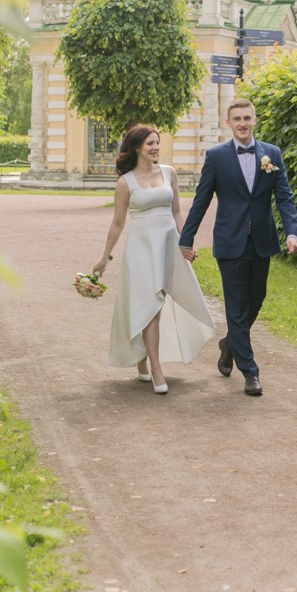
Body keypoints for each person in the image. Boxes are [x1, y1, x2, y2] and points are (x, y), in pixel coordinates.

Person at [179, 99, 297, 397]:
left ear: (255, 120)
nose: (243, 123)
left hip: (262, 240)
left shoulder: (272, 154)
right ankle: (251, 372)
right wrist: (186, 239)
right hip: (230, 241)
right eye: (237, 119)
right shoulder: (216, 156)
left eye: (247, 118)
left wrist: (292, 232)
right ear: (228, 122)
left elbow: (284, 197)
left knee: (256, 298)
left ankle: (230, 344)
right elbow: (202, 200)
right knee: (235, 304)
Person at [93, 124, 214, 394]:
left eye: (157, 142)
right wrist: (104, 259)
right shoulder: (126, 183)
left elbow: (177, 212)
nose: (156, 147)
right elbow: (117, 223)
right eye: (150, 143)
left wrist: (186, 242)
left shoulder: (169, 173)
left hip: (168, 244)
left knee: (161, 300)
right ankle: (156, 368)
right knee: (151, 303)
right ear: (137, 147)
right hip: (141, 248)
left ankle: (143, 359)